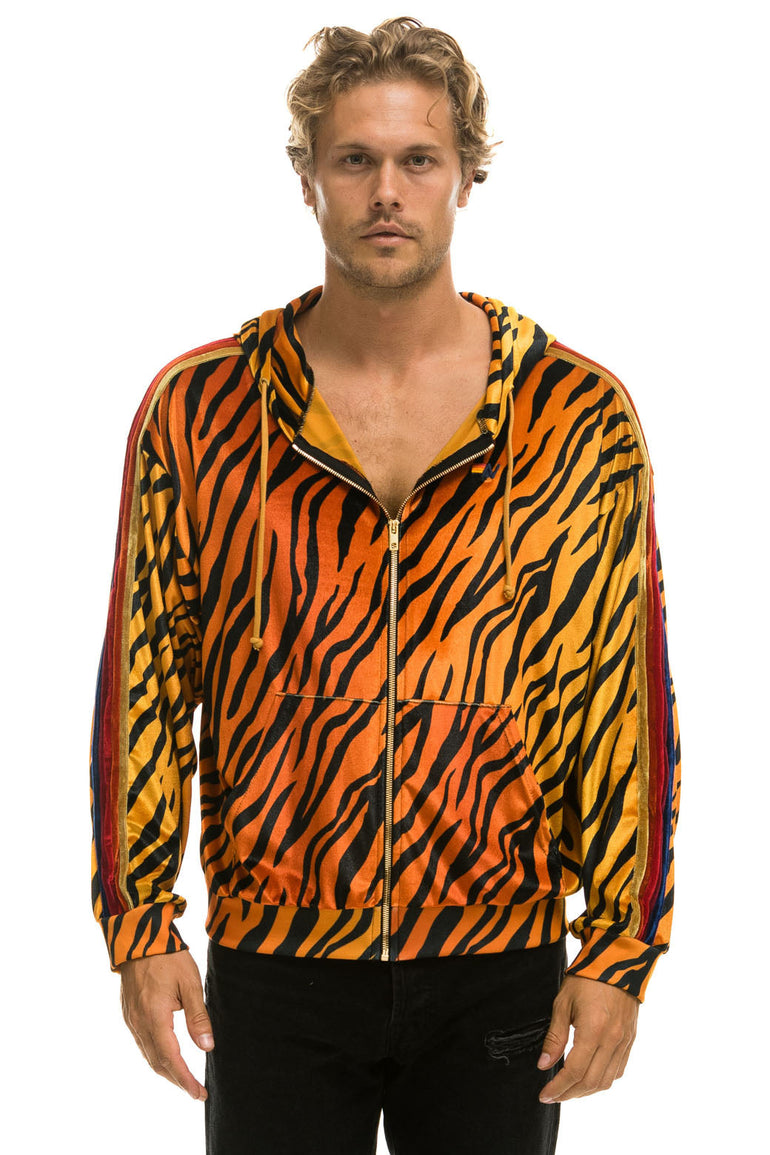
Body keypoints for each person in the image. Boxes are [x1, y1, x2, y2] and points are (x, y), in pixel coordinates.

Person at [90, 16, 680, 1155]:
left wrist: (620, 946)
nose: (386, 192)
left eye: (418, 159)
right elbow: (143, 678)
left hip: (500, 961)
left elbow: (626, 695)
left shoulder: (576, 415)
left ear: (466, 174)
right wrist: (139, 920)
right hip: (276, 960)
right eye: (355, 159)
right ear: (307, 176)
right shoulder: (202, 410)